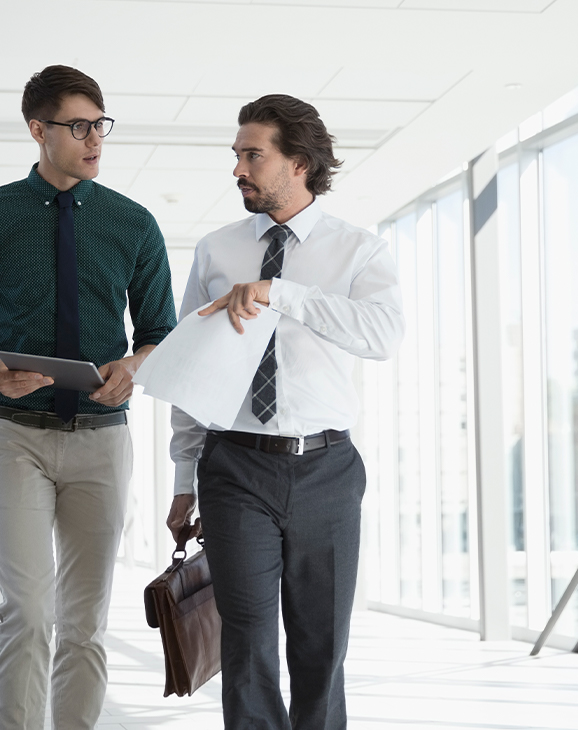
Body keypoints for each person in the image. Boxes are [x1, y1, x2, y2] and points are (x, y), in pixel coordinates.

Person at [166, 94, 404, 729]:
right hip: (235, 467)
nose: (238, 169)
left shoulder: (358, 251)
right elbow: (191, 369)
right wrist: (183, 480)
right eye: (237, 155)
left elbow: (382, 336)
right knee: (247, 647)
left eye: (253, 155)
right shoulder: (216, 251)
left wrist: (283, 294)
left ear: (298, 162)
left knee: (322, 648)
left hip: (326, 468)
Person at [0, 65, 177, 730]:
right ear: (38, 130)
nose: (94, 140)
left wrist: (133, 367)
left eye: (100, 126)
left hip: (103, 441)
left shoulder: (133, 223)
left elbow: (162, 333)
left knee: (84, 620)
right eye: (79, 126)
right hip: (15, 435)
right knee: (26, 613)